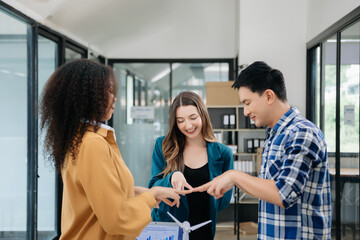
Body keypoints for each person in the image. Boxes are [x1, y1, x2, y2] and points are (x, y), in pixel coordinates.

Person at [40, 59, 189, 240]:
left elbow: (94, 194)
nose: (115, 98)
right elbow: (117, 218)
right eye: (108, 91)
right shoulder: (92, 144)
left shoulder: (81, 139)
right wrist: (153, 194)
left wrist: (134, 191)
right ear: (88, 97)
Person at [194, 61, 332, 239]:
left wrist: (234, 176)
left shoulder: (301, 133)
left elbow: (283, 194)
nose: (245, 112)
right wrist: (234, 181)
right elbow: (268, 191)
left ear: (268, 96)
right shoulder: (274, 135)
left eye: (247, 103)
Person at [148, 91, 234, 239]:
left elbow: (223, 202)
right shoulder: (163, 146)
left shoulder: (223, 153)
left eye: (193, 118)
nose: (188, 125)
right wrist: (172, 177)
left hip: (203, 228)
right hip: (168, 228)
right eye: (180, 120)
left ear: (203, 115)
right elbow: (153, 187)